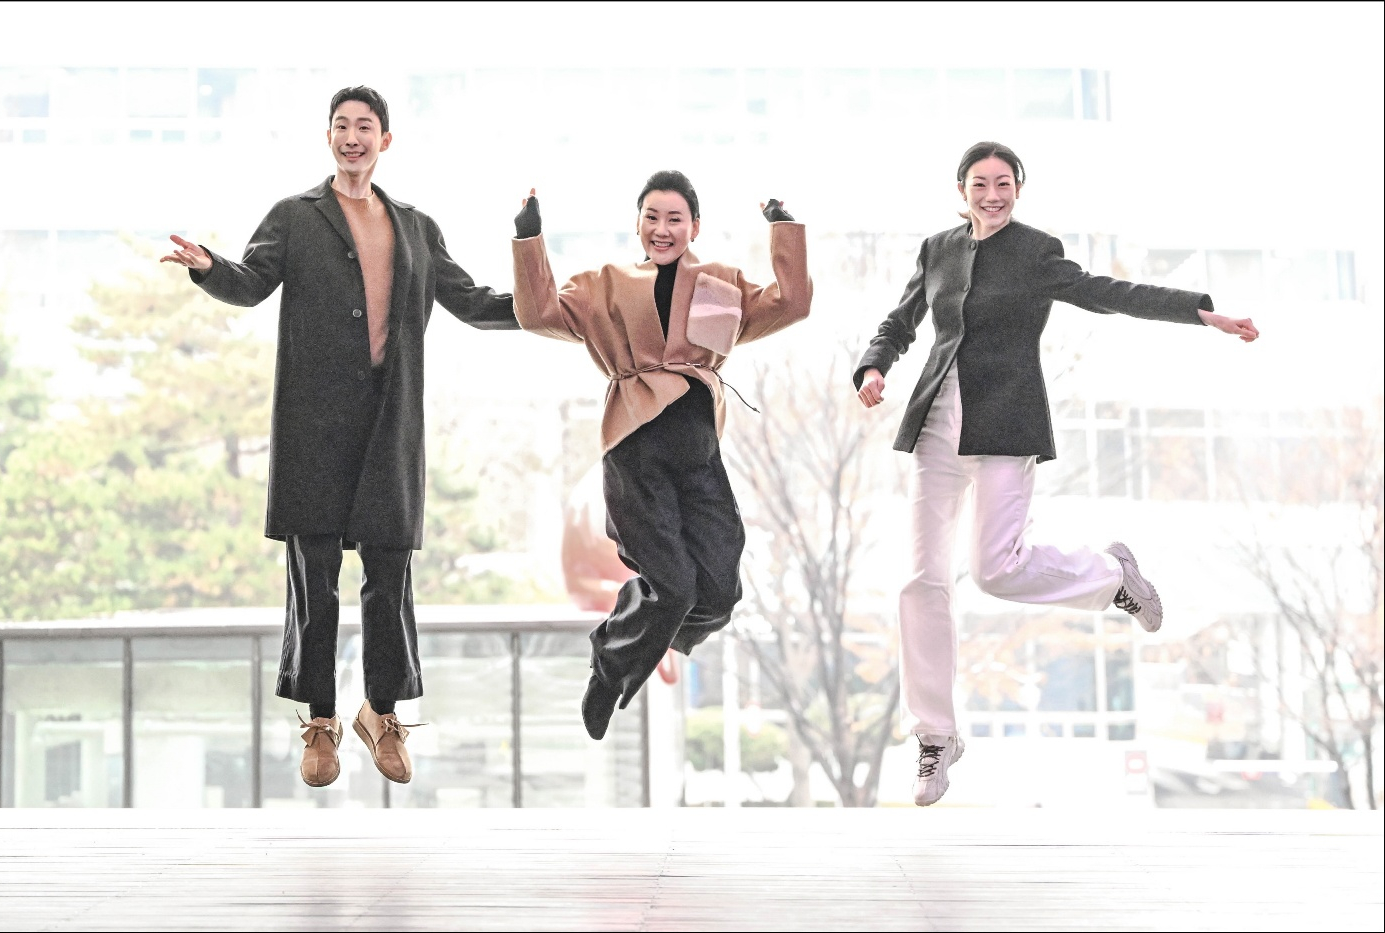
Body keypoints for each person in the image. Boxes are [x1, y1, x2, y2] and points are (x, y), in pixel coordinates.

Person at [853, 141, 1259, 807]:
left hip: (1005, 424)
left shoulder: (1035, 251)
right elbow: (900, 321)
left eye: (1003, 182)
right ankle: (934, 735)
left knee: (995, 569)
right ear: (960, 190)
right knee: (921, 578)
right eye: (979, 183)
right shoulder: (938, 249)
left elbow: (1109, 292)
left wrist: (1200, 311)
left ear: (1017, 189)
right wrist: (874, 365)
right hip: (936, 425)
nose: (991, 193)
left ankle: (1110, 576)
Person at [160, 86, 520, 788]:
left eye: (365, 127)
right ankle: (320, 722)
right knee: (314, 578)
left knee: (389, 574)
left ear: (387, 140)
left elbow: (473, 302)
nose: (352, 136)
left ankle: (380, 713)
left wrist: (543, 305)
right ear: (329, 137)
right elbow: (251, 280)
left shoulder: (416, 226)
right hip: (314, 422)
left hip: (390, 423)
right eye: (341, 126)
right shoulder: (297, 217)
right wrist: (209, 268)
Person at [510, 170, 812, 740]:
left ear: (694, 226)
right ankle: (610, 667)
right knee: (672, 585)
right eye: (652, 217)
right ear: (639, 224)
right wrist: (530, 238)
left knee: (719, 590)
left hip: (699, 451)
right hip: (634, 446)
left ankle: (650, 628)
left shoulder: (722, 282)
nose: (662, 228)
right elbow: (539, 312)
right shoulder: (605, 282)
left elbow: (792, 302)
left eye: (675, 218)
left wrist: (782, 226)